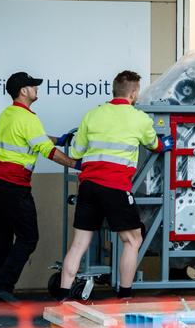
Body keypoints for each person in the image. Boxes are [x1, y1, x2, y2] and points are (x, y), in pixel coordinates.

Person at [57, 70, 173, 300]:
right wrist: (164, 145)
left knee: (79, 243)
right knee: (133, 240)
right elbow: (153, 144)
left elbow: (77, 151)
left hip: (88, 185)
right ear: (134, 93)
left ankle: (63, 296)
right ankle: (125, 295)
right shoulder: (139, 118)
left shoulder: (93, 115)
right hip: (116, 187)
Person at [0, 71, 77, 303]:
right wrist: (77, 164)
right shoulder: (29, 118)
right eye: (33, 86)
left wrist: (59, 139)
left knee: (2, 238)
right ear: (23, 91)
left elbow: (34, 138)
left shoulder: (9, 114)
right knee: (28, 238)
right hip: (14, 186)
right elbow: (47, 152)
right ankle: (2, 285)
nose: (37, 88)